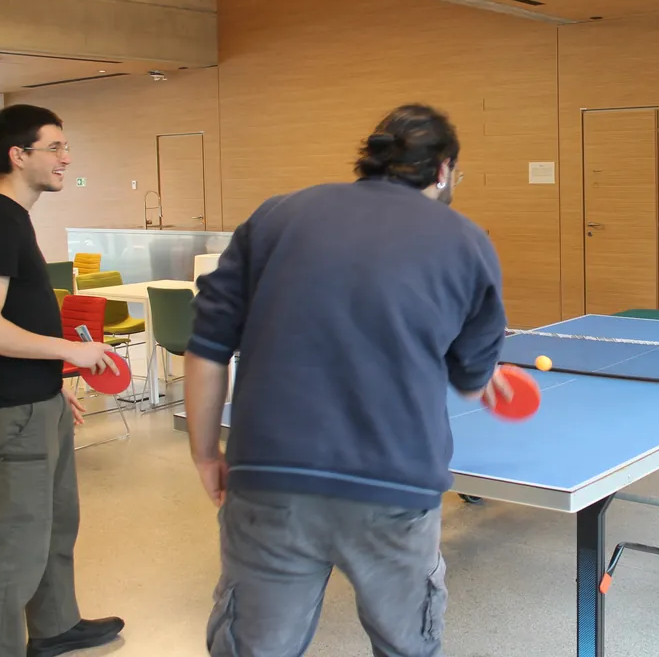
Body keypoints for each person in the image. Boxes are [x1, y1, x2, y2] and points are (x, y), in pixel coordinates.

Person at [184, 103, 510, 657]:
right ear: (444, 168)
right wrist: (484, 376)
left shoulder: (276, 216)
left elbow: (207, 347)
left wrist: (204, 453)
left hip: (268, 478)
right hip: (395, 484)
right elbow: (472, 378)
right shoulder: (466, 241)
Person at [0, 104, 125, 657]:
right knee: (19, 541)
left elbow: (21, 319)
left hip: (38, 397)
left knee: (56, 523)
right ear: (18, 155)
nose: (65, 158)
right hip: (14, 409)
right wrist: (72, 352)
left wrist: (54, 382)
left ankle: (54, 626)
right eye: (54, 148)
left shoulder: (15, 219)